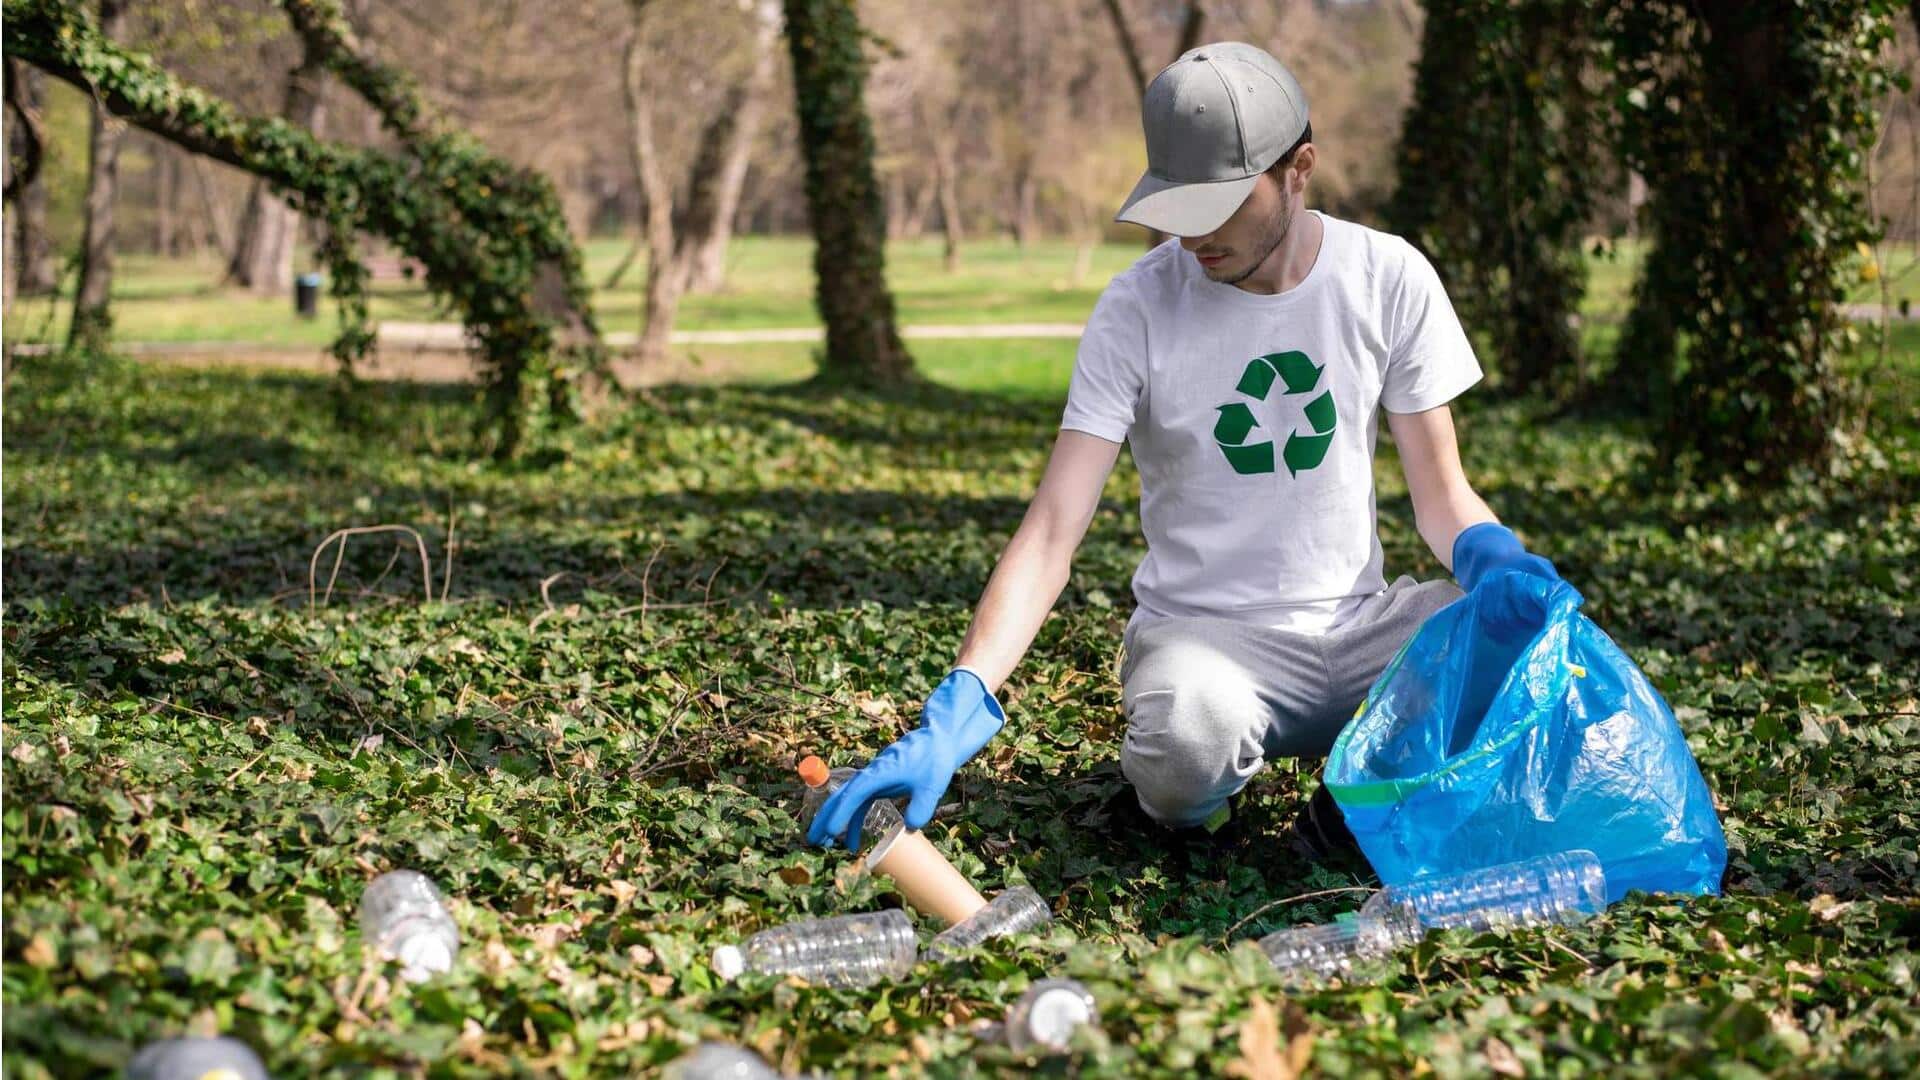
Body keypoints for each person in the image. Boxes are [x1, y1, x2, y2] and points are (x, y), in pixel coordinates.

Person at [807, 42, 1564, 858]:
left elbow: (1442, 495)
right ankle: (1198, 809)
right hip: (1205, 644)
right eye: (1178, 204)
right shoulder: (1137, 308)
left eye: (1221, 204)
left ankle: (1349, 809)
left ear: (1298, 168)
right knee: (1186, 740)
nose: (1193, 234)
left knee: (1506, 641)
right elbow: (1055, 528)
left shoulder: (1387, 278)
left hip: (1358, 628)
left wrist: (1496, 560)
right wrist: (956, 706)